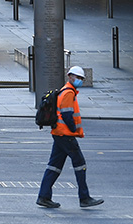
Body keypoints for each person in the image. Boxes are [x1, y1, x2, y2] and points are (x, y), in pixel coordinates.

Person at [36, 66, 104, 209]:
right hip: (66, 135)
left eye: (81, 79)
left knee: (54, 166)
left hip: (59, 133)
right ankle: (84, 198)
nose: (79, 80)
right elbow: (67, 114)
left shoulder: (66, 91)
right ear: (69, 76)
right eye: (77, 77)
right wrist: (73, 129)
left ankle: (44, 196)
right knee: (80, 165)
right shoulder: (68, 93)